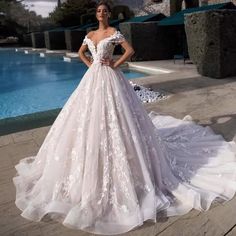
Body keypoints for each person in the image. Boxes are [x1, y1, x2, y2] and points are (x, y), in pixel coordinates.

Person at [13, 1, 236, 235]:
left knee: (120, 118)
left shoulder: (113, 33)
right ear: (96, 14)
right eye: (98, 11)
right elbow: (81, 53)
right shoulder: (89, 34)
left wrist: (115, 64)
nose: (101, 13)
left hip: (111, 78)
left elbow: (130, 50)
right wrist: (91, 65)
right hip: (92, 80)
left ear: (109, 14)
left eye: (104, 11)